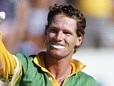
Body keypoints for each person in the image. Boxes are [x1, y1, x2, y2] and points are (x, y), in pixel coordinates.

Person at [0, 4, 98, 86]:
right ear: (46, 33)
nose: (58, 37)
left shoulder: (87, 83)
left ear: (79, 40)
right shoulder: (25, 68)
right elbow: (3, 64)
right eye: (54, 31)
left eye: (66, 33)